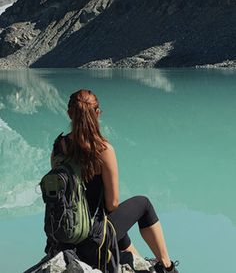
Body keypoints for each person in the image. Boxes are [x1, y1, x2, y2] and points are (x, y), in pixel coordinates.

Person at [50, 89, 179, 273]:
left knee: (115, 227)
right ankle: (167, 265)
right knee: (143, 204)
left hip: (64, 236)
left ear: (69, 114)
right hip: (91, 240)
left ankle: (140, 263)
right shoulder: (103, 150)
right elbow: (112, 204)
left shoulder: (58, 148)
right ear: (97, 113)